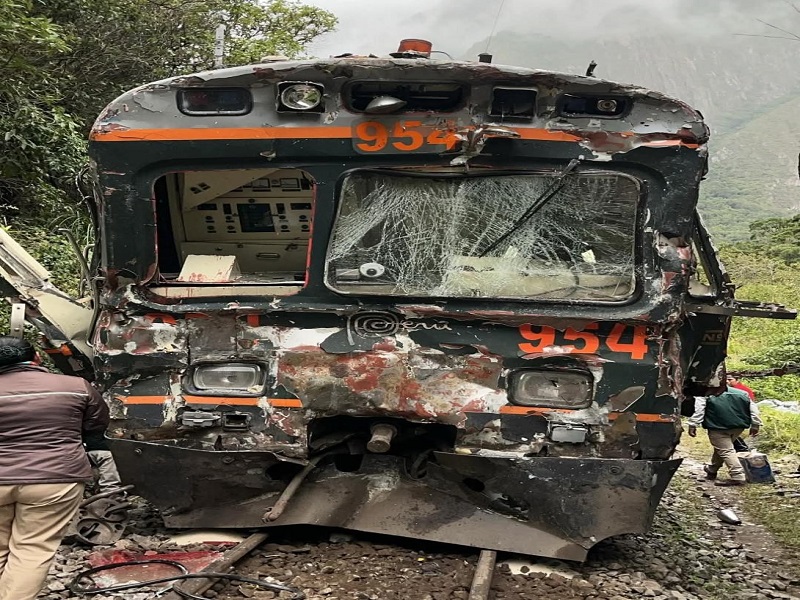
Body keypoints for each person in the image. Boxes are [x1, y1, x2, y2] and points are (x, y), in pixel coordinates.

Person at [0, 336, 109, 600]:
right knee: (32, 548)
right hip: (57, 477)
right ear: (36, 358)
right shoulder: (75, 386)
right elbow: (97, 425)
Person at [687, 382, 762, 487]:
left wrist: (693, 424)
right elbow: (754, 410)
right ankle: (712, 469)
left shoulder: (706, 394)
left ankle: (738, 476)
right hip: (738, 426)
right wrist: (755, 424)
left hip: (717, 426)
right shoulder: (742, 393)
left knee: (726, 450)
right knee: (723, 448)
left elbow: (699, 410)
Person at [726, 374, 755, 452]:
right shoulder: (726, 390)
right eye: (726, 379)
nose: (727, 381)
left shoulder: (743, 390)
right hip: (730, 416)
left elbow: (750, 405)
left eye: (730, 379)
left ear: (737, 380)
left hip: (738, 416)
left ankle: (743, 450)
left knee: (730, 437)